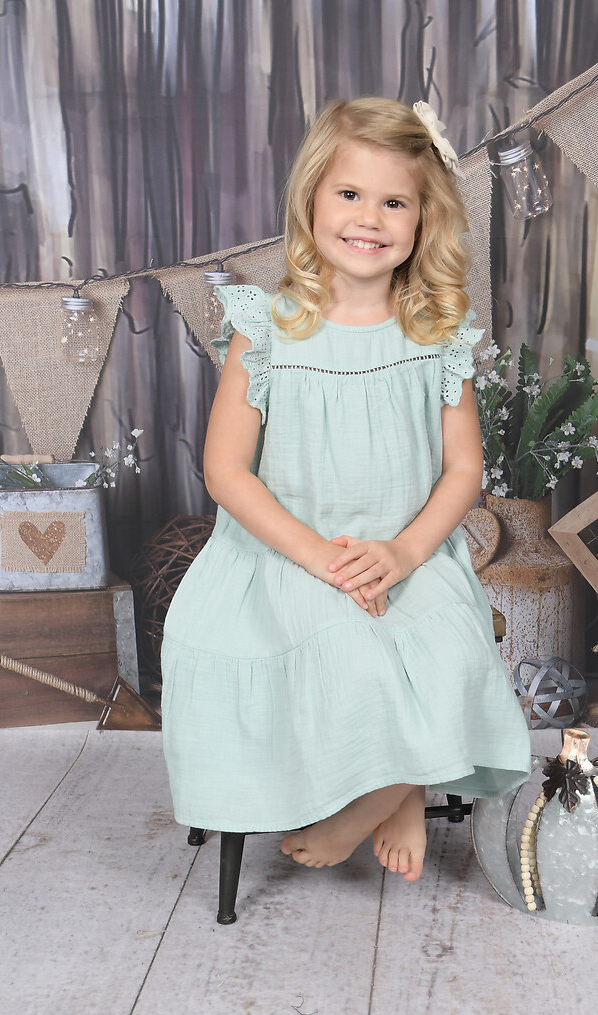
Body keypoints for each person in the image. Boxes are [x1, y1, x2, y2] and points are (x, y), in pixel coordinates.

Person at [161, 97, 531, 885]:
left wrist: (403, 552)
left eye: (395, 202)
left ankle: (385, 794)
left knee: (454, 654)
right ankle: (398, 788)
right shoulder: (269, 329)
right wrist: (320, 560)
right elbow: (225, 471)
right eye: (351, 194)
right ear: (311, 201)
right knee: (351, 659)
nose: (370, 218)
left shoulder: (436, 334)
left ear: (424, 219)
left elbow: (463, 470)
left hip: (406, 553)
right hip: (286, 556)